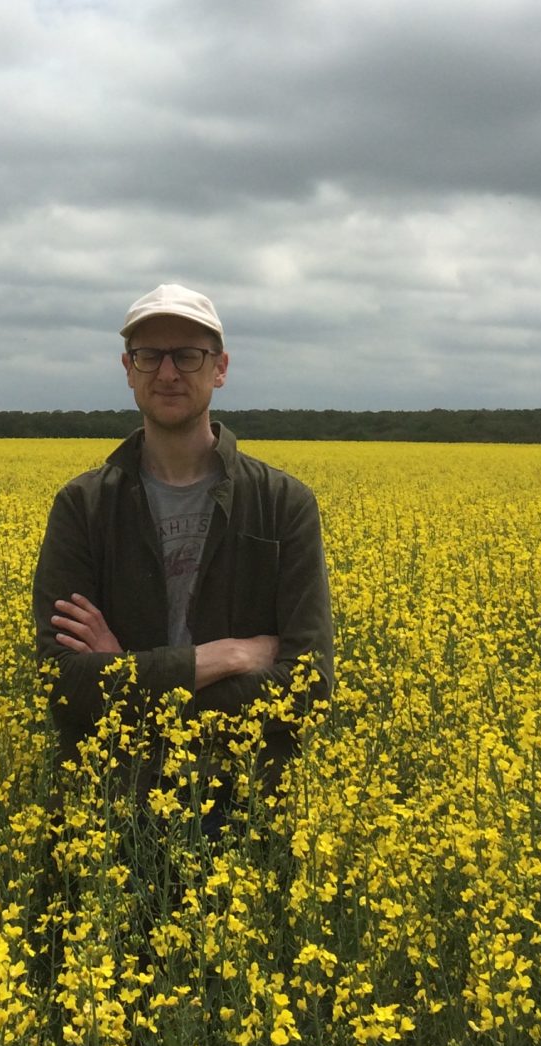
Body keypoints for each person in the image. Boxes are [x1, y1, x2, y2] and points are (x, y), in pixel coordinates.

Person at [32, 282, 333, 800]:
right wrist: (222, 658)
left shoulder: (284, 504)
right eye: (148, 356)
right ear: (128, 370)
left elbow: (310, 687)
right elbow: (61, 683)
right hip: (108, 803)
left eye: (188, 355)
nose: (167, 373)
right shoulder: (83, 507)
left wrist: (124, 673)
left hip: (244, 804)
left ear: (220, 368)